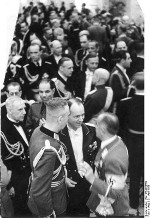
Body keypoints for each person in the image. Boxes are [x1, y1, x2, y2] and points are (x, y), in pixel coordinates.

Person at [79, 112, 129, 216]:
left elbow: (116, 193)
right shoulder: (116, 140)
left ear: (102, 130)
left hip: (112, 210)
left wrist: (92, 179)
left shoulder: (113, 159)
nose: (94, 126)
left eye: (96, 124)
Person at [28, 98, 70, 217]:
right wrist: (49, 214)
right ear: (60, 119)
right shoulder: (48, 151)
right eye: (68, 115)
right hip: (53, 206)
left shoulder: (38, 130)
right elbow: (39, 192)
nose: (69, 117)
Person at [59, 98, 100, 216]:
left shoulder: (92, 131)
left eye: (83, 115)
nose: (81, 119)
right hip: (67, 184)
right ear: (67, 115)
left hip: (86, 184)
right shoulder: (58, 134)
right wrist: (63, 179)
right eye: (77, 116)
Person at [116, 72, 144, 216]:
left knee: (134, 175)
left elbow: (120, 126)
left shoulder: (125, 102)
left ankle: (133, 207)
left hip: (132, 144)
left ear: (132, 85)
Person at [1, 96, 31, 216]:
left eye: (24, 108)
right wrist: (9, 186)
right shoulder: (2, 129)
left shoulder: (21, 122)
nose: (24, 112)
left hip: (28, 176)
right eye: (20, 109)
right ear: (9, 110)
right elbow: (2, 161)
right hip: (15, 180)